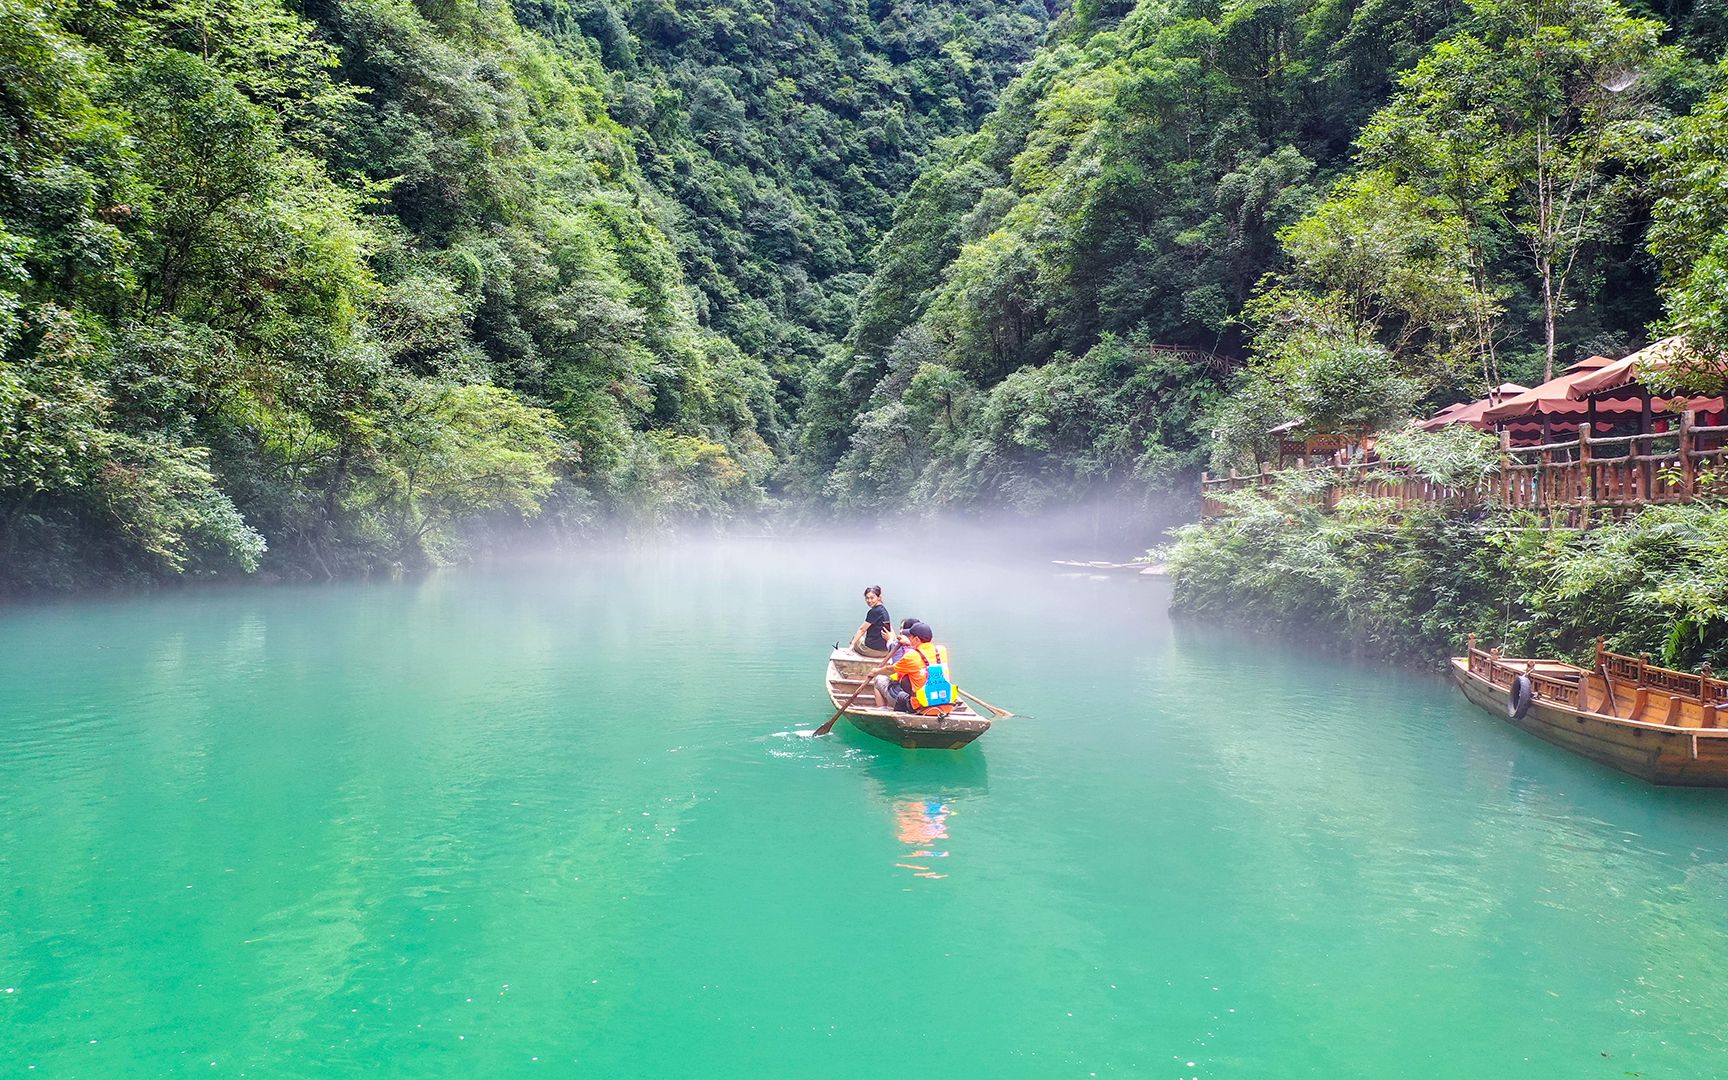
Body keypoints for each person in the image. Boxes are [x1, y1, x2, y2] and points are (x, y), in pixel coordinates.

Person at [874, 621, 956, 716]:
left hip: (922, 707)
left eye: (911, 638)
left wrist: (875, 671)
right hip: (947, 706)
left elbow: (890, 669)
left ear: (916, 638)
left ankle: (898, 719)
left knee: (901, 696)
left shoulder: (911, 656)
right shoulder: (942, 650)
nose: (910, 640)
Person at [851, 586, 892, 657]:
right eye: (867, 598)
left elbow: (862, 630)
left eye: (872, 598)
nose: (869, 600)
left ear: (879, 597)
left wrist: (851, 645)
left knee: (855, 639)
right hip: (885, 650)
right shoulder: (883, 610)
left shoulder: (874, 612)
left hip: (873, 651)